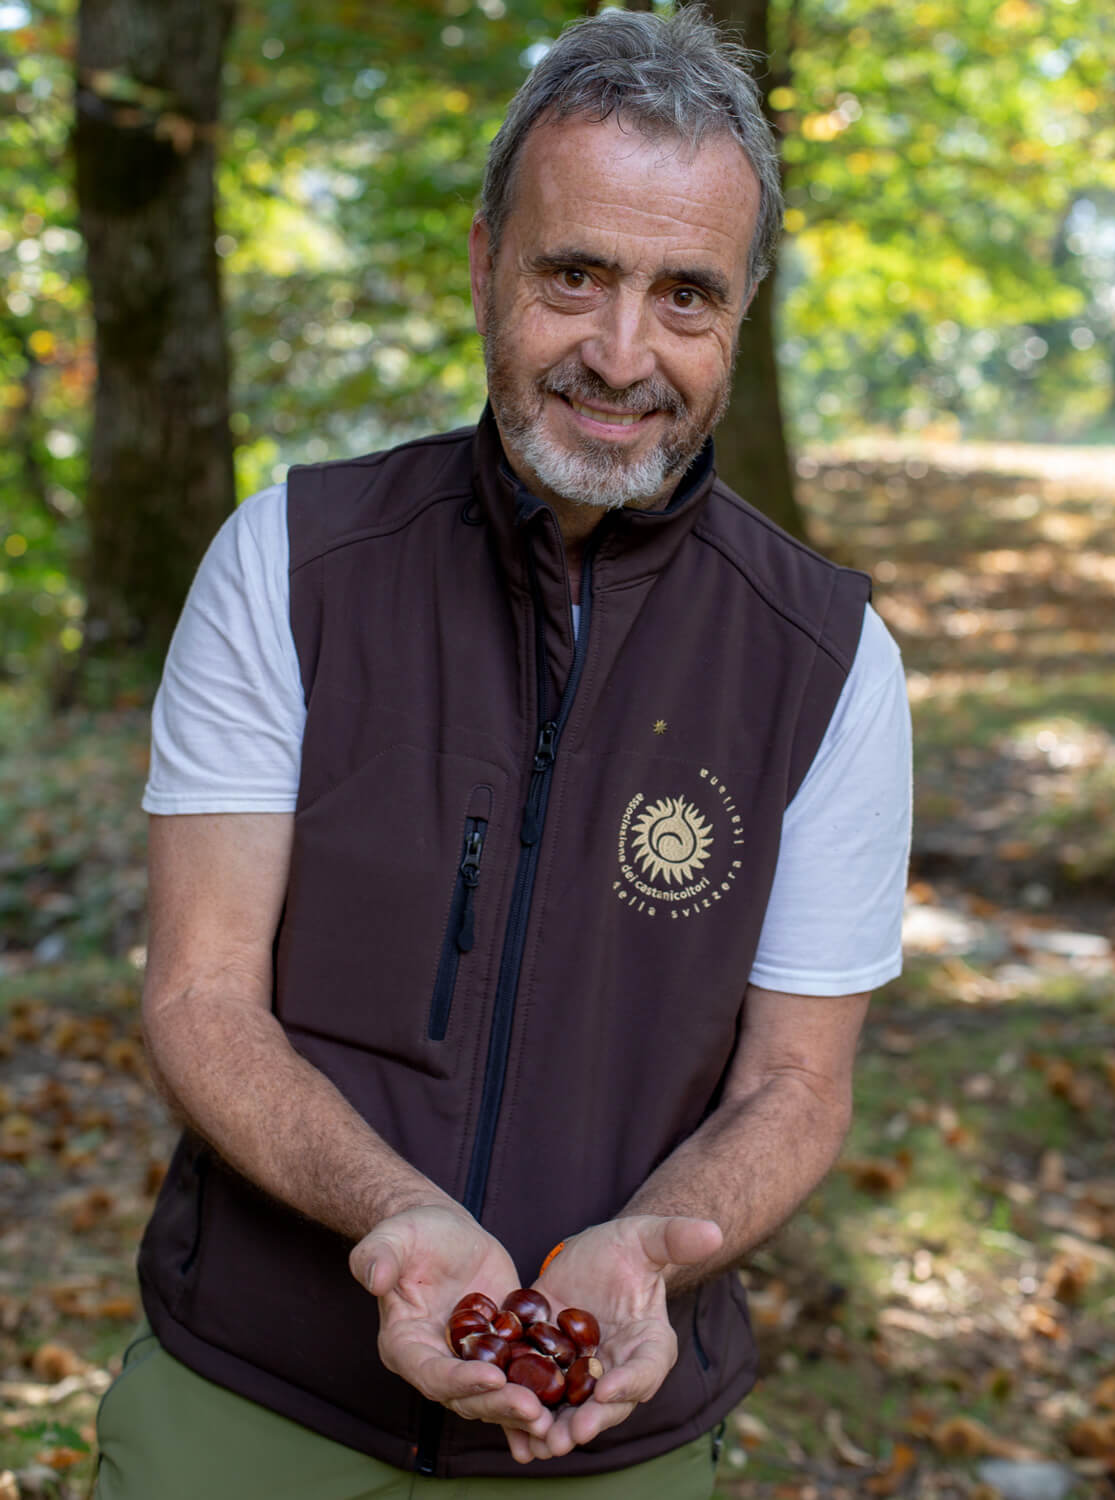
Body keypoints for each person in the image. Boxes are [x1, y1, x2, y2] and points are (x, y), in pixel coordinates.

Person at [95, 8, 911, 1498]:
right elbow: (200, 992)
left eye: (684, 295)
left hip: (617, 1430)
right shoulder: (290, 563)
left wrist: (667, 1241)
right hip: (256, 1401)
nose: (621, 353)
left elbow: (797, 1086)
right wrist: (393, 1217)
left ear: (741, 312)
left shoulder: (831, 661)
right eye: (575, 274)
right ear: (485, 263)